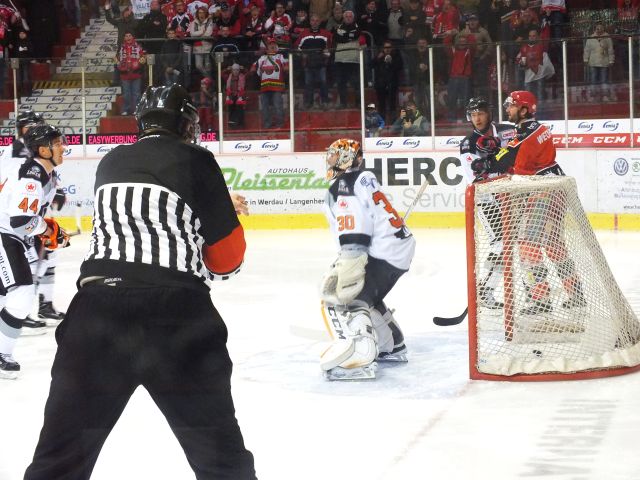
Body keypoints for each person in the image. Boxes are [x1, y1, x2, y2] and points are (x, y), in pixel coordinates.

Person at [24, 84, 257, 478]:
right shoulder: (197, 159)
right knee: (222, 464)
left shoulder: (111, 161)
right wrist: (218, 212)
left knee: (58, 462)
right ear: (186, 125)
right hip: (176, 315)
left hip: (95, 314)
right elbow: (226, 260)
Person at [477, 90, 586, 315]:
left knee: (527, 245)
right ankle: (575, 293)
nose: (508, 109)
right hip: (555, 188)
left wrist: (487, 162)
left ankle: (540, 299)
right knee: (554, 244)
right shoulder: (539, 128)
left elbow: (505, 160)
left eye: (512, 106)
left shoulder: (526, 132)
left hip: (542, 191)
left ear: (524, 109)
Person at [319, 138, 415, 380]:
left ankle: (360, 356)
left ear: (346, 158)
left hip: (384, 251)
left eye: (334, 155)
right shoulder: (362, 178)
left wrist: (349, 261)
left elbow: (355, 229)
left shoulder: (343, 185)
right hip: (396, 247)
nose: (329, 159)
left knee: (348, 296)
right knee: (368, 294)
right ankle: (392, 344)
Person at [0, 124, 70, 379]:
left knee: (6, 296)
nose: (63, 147)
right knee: (21, 293)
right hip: (6, 234)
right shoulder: (32, 175)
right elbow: (20, 220)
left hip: (14, 236)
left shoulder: (45, 172)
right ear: (43, 150)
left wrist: (45, 228)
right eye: (57, 143)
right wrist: (47, 229)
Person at [459, 97, 516, 309]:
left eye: (480, 113)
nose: (477, 119)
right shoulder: (468, 143)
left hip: (511, 194)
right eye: (473, 115)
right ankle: (486, 290)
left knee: (513, 244)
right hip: (487, 198)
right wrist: (500, 159)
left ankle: (525, 289)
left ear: (489, 113)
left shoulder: (507, 130)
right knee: (500, 244)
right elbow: (476, 174)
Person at [295, 13, 332, 110]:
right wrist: (302, 55)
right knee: (308, 83)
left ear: (320, 22)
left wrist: (326, 56)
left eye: (317, 21)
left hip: (321, 63)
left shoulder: (326, 33)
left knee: (323, 82)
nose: (315, 22)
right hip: (308, 63)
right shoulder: (304, 33)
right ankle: (308, 103)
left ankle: (325, 102)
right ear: (310, 22)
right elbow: (297, 47)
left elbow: (329, 48)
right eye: (313, 20)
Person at [252, 36, 288, 129]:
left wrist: (286, 67)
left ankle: (280, 125)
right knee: (265, 107)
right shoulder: (262, 58)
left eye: (274, 45)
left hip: (277, 87)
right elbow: (253, 67)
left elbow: (287, 66)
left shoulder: (280, 56)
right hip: (264, 86)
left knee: (278, 105)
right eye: (270, 45)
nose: (273, 46)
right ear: (266, 48)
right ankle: (267, 124)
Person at [116, 31, 146, 115]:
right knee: (126, 94)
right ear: (124, 38)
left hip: (136, 74)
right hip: (124, 74)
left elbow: (143, 57)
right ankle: (126, 109)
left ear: (133, 37)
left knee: (136, 93)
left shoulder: (138, 46)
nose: (128, 37)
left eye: (130, 35)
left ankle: (137, 110)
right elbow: (116, 58)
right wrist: (120, 66)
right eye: (126, 36)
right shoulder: (120, 47)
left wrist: (139, 63)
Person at [583, 22, 614, 103]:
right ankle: (593, 96)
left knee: (604, 79)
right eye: (597, 28)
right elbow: (587, 50)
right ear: (595, 29)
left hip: (604, 61)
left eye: (601, 28)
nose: (599, 30)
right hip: (593, 62)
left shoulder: (607, 37)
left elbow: (610, 49)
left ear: (603, 28)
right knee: (593, 79)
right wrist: (585, 59)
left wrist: (611, 60)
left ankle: (605, 95)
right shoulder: (590, 38)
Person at [372, 41, 402, 122]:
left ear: (392, 48)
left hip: (392, 84)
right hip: (380, 84)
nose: (387, 49)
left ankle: (393, 122)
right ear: (383, 48)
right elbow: (370, 65)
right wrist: (377, 58)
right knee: (381, 104)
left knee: (392, 104)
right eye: (385, 47)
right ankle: (382, 121)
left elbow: (400, 67)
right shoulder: (379, 56)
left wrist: (391, 62)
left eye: (389, 47)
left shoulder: (396, 56)